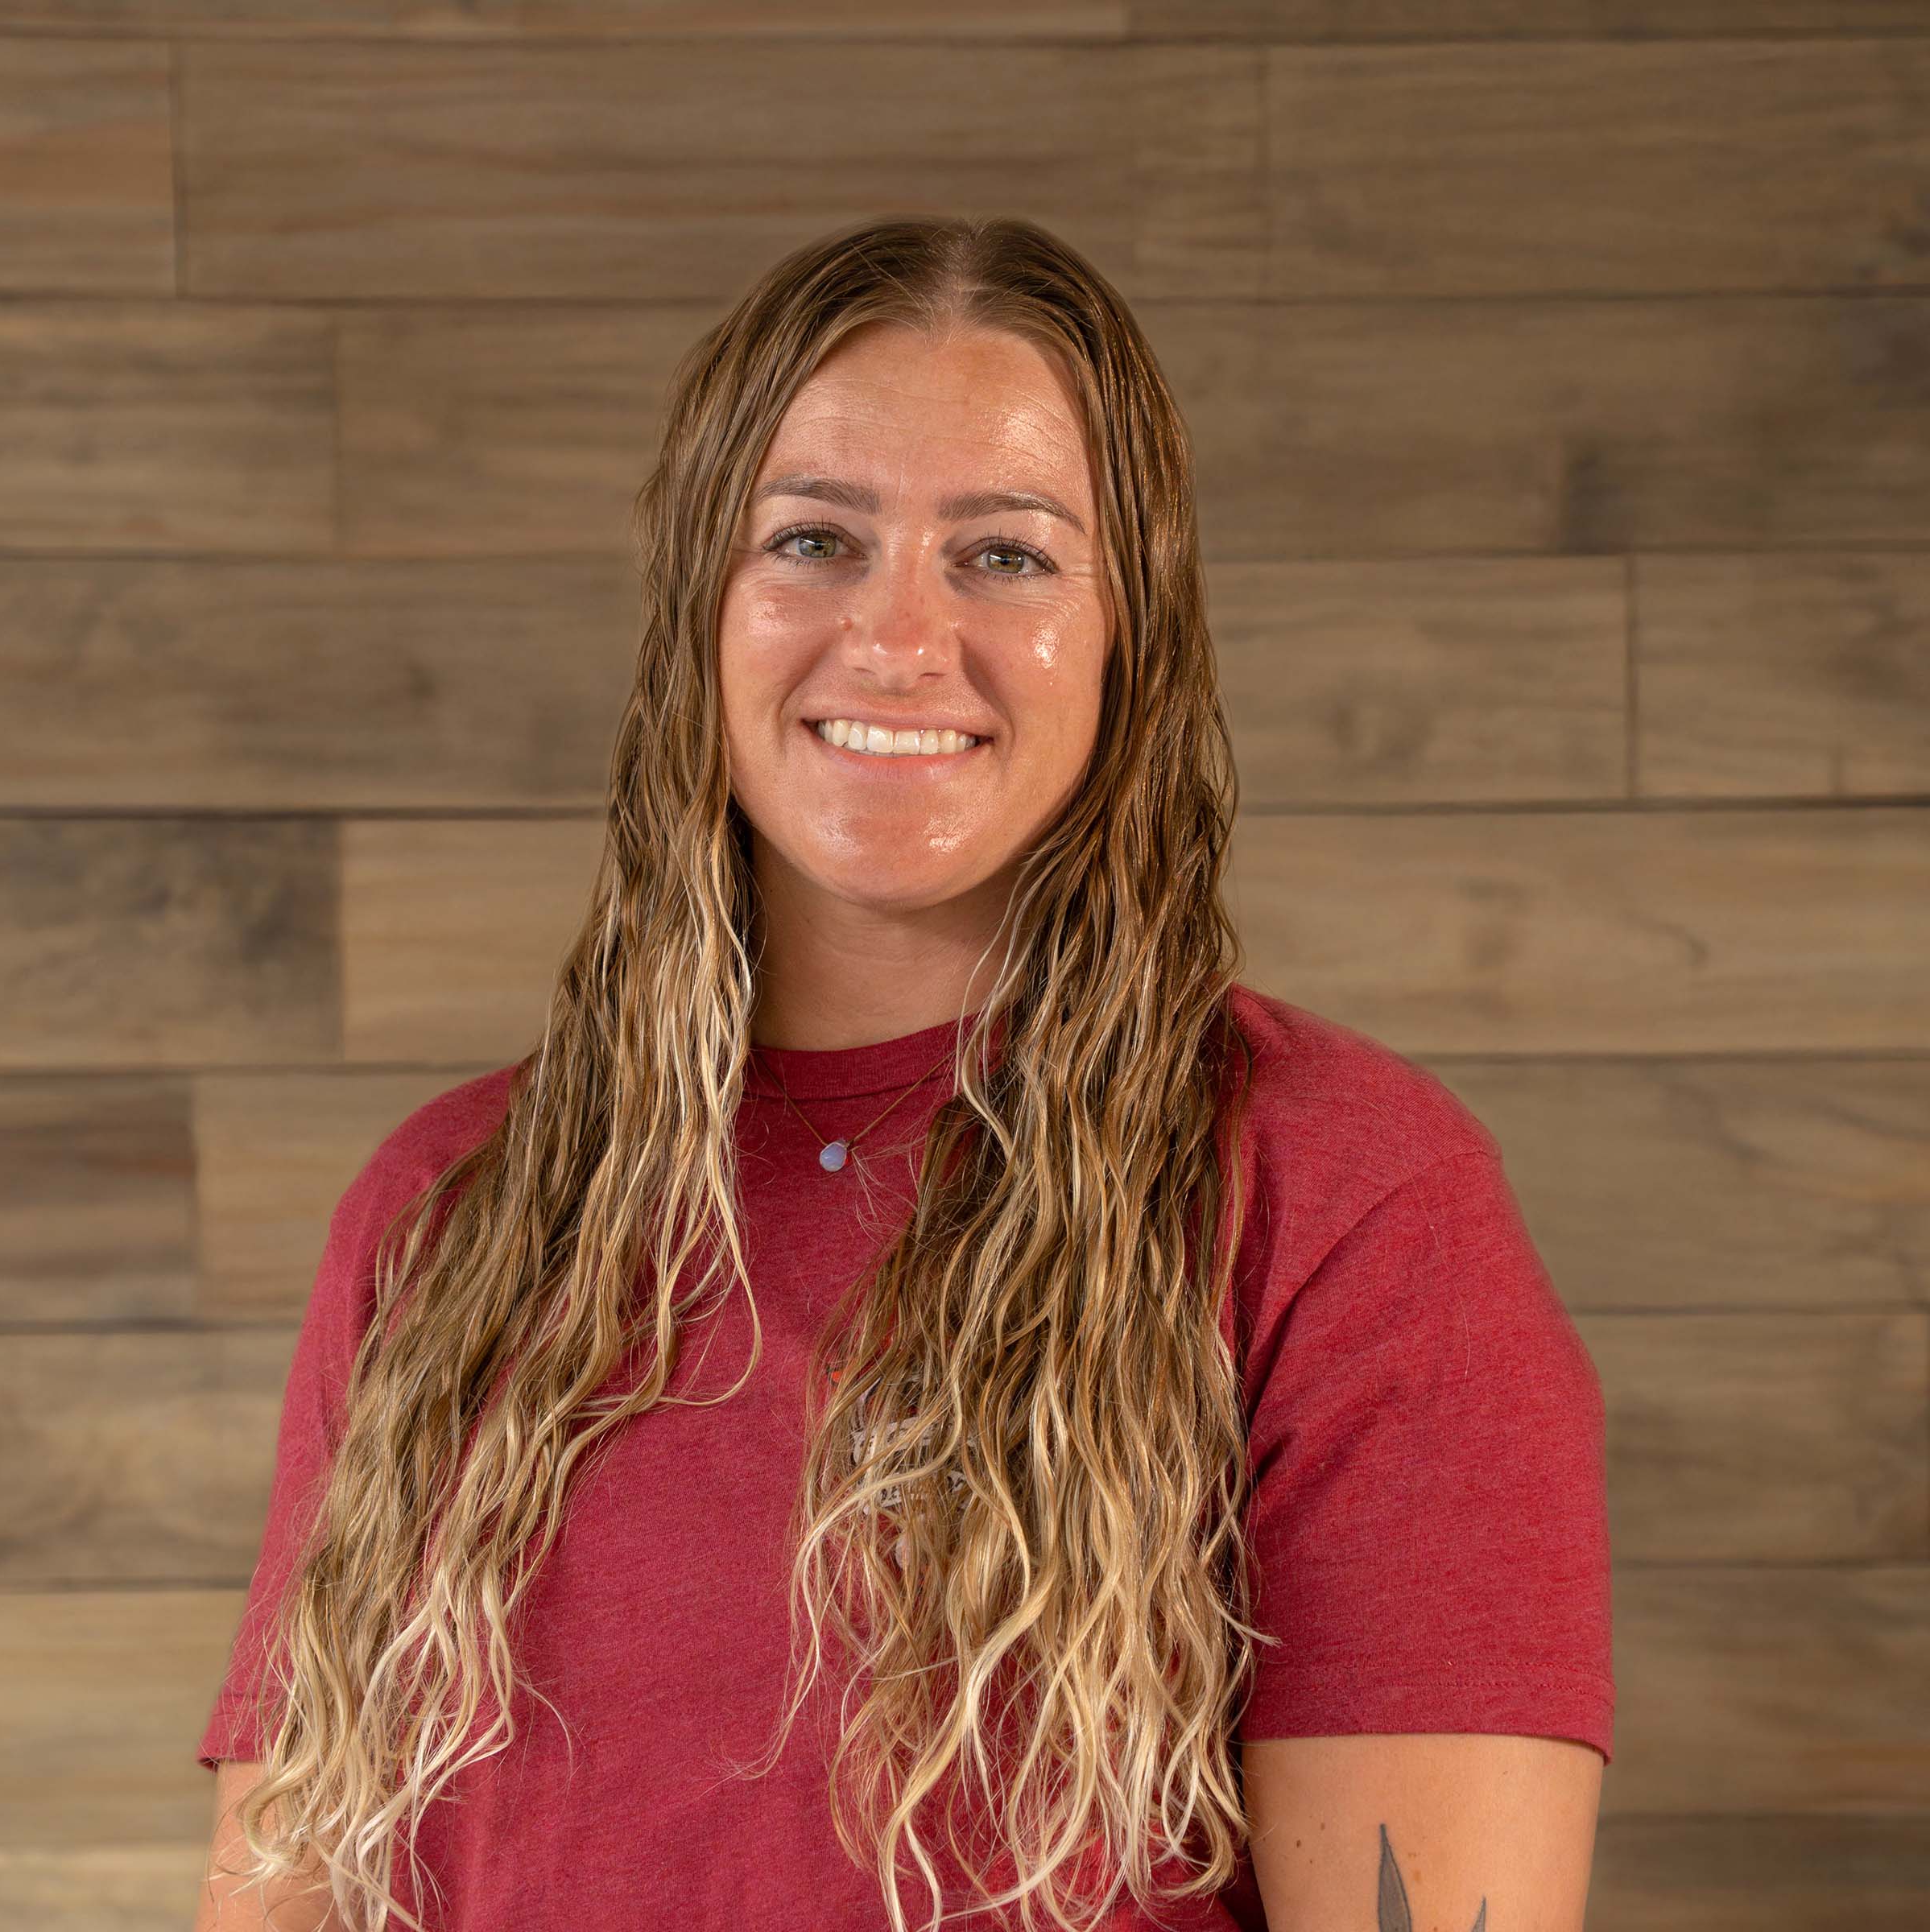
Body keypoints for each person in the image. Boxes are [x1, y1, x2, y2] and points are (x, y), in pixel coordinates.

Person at [193, 215, 1611, 1932]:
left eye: (1005, 556)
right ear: (701, 615)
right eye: (814, 539)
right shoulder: (448, 1218)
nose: (895, 637)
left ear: (1129, 631)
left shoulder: (1342, 1191)